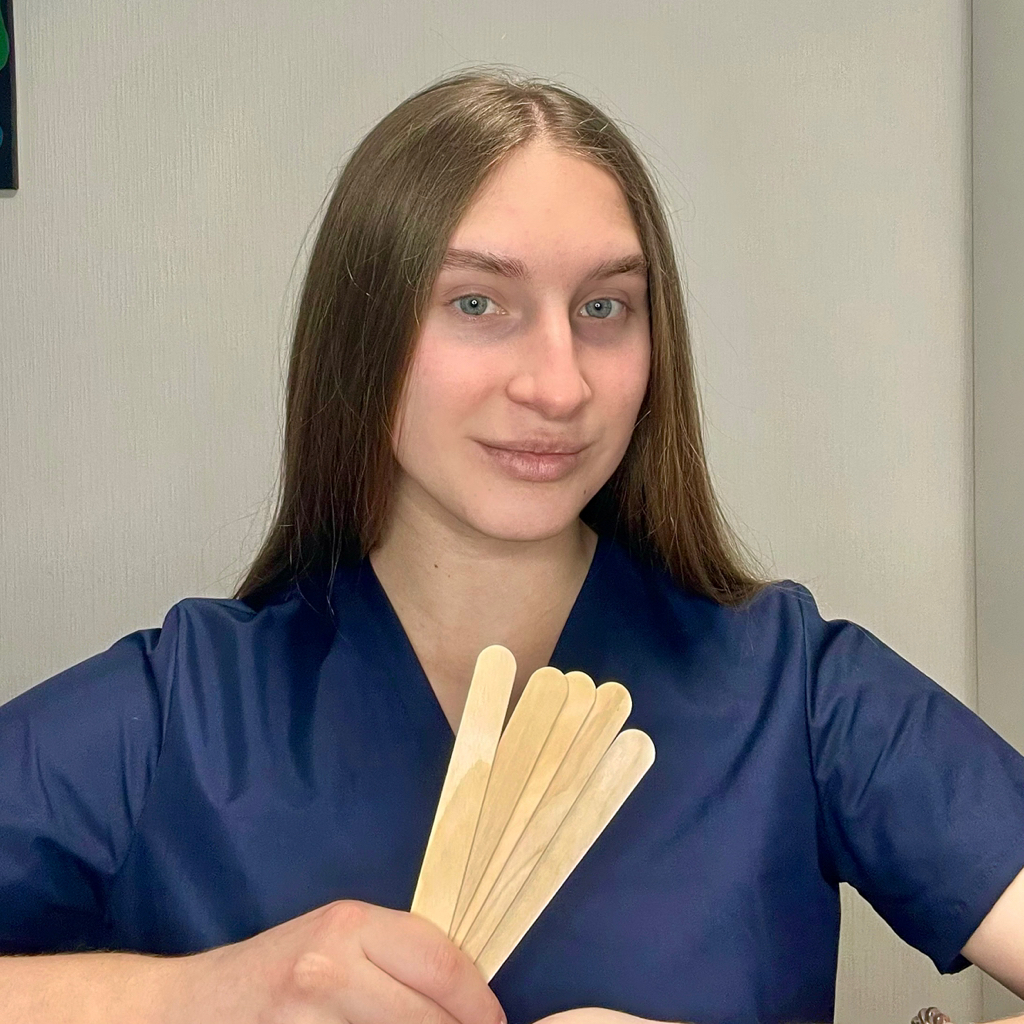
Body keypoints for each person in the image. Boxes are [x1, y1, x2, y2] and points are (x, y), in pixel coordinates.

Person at [0, 66, 1022, 1024]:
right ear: (361, 335)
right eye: (477, 302)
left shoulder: (797, 693)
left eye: (604, 307)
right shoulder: (177, 712)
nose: (558, 384)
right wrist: (207, 994)